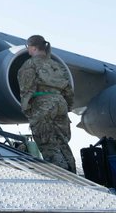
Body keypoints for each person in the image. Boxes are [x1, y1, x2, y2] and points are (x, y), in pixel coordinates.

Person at [17, 34, 76, 173]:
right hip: (61, 103)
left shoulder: (30, 65)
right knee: (62, 142)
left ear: (32, 48)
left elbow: (27, 89)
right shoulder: (57, 65)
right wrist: (67, 107)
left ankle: (60, 176)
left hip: (43, 104)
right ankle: (73, 173)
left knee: (48, 143)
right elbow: (69, 90)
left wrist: (28, 110)